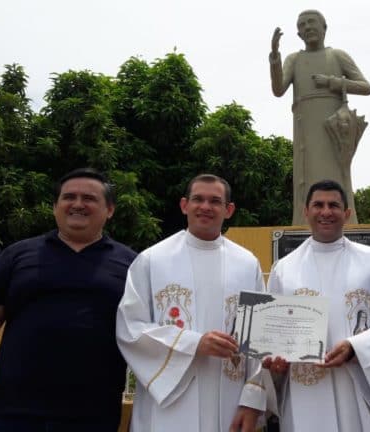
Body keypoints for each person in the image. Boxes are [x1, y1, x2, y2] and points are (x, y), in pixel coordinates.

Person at [0, 168, 137, 432]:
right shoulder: (16, 257)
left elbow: (146, 337)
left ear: (110, 210)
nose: (78, 204)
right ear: (55, 206)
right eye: (69, 197)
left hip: (95, 416)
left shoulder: (133, 265)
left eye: (89, 198)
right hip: (16, 415)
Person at [116, 174, 275, 432]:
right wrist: (193, 343)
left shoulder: (247, 264)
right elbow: (129, 328)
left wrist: (253, 400)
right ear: (184, 205)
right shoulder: (151, 260)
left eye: (215, 201)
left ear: (229, 209)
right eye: (198, 199)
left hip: (230, 397)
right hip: (170, 402)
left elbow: (261, 337)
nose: (205, 207)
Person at [264, 179, 370, 431]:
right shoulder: (284, 270)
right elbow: (271, 336)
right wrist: (275, 363)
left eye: (334, 205)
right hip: (306, 392)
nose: (326, 211)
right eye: (318, 205)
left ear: (347, 213)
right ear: (306, 211)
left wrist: (355, 348)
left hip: (358, 391)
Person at [270, 10, 370, 225]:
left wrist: (332, 82)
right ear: (298, 34)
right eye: (303, 25)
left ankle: (345, 219)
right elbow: (278, 89)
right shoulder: (294, 59)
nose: (308, 27)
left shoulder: (337, 56)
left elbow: (365, 87)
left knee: (337, 176)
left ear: (324, 27)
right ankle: (304, 222)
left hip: (332, 128)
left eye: (312, 22)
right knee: (305, 179)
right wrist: (274, 58)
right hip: (306, 128)